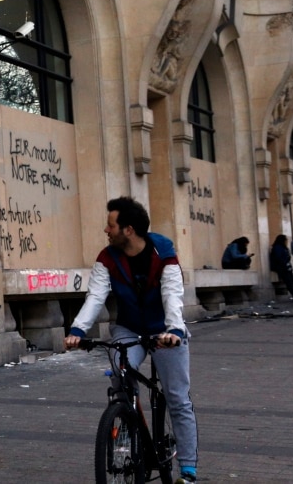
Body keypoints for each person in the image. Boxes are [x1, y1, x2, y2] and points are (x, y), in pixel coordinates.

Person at [64, 197, 199, 483]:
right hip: (129, 329)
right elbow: (96, 296)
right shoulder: (107, 258)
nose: (105, 230)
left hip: (164, 330)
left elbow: (172, 295)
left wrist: (174, 330)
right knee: (120, 374)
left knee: (177, 398)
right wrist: (77, 331)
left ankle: (187, 470)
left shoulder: (163, 253)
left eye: (110, 225)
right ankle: (126, 424)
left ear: (128, 230)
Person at [269, 234, 293, 301]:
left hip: (286, 267)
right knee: (289, 282)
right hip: (282, 267)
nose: (287, 241)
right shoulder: (278, 247)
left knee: (290, 281)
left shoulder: (283, 247)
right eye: (286, 240)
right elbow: (278, 258)